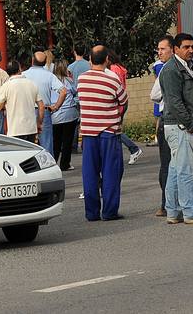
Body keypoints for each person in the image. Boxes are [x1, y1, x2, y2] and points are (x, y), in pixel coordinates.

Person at [159, 33, 193, 224]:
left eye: (192, 46)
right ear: (176, 49)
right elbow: (174, 102)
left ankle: (173, 212)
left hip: (179, 125)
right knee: (188, 170)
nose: (191, 50)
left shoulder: (185, 67)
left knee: (176, 169)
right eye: (186, 47)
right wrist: (190, 124)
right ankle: (192, 212)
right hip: (179, 126)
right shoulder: (171, 70)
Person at [77, 47, 128, 221]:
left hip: (89, 132)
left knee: (90, 173)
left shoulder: (81, 79)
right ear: (107, 59)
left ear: (90, 59)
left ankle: (91, 213)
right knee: (111, 172)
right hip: (109, 131)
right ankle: (109, 211)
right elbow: (123, 101)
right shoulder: (112, 79)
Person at [96, 46, 144, 164]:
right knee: (115, 129)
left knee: (113, 129)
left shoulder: (112, 69)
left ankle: (133, 148)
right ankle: (121, 152)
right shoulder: (119, 68)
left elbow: (114, 85)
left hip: (116, 102)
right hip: (121, 100)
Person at [148, 35, 175, 215]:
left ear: (172, 49)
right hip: (168, 120)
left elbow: (156, 95)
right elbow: (154, 95)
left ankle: (172, 204)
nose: (159, 52)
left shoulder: (167, 68)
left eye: (163, 49)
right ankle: (167, 204)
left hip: (171, 120)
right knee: (167, 164)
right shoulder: (165, 69)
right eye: (158, 49)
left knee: (174, 165)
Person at [24, 51, 65, 157]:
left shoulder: (23, 75)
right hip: (45, 110)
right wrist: (56, 107)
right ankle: (49, 166)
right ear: (45, 62)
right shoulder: (49, 76)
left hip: (27, 110)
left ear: (32, 60)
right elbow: (63, 92)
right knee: (46, 142)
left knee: (28, 143)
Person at [0, 59, 43, 142]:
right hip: (31, 128)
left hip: (15, 129)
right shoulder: (32, 84)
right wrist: (39, 122)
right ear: (20, 69)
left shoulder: (6, 86)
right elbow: (41, 106)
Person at [50, 60, 79, 170]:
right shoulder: (69, 81)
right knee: (67, 141)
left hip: (54, 115)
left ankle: (53, 163)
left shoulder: (50, 81)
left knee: (55, 142)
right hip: (69, 114)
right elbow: (75, 92)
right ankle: (65, 164)